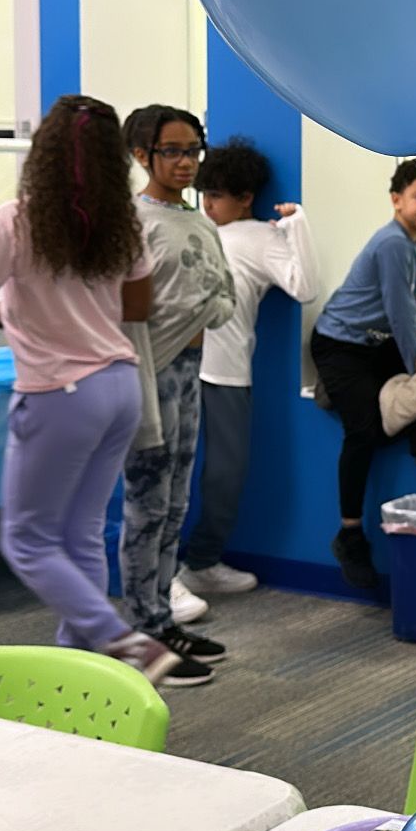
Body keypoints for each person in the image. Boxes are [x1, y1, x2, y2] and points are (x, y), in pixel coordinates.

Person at [0, 95, 172, 681]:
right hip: (119, 387)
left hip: (62, 395)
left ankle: (123, 642)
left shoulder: (16, 220)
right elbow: (134, 307)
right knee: (80, 533)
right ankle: (81, 672)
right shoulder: (120, 225)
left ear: (45, 154)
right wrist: (13, 308)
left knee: (27, 540)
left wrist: (3, 305)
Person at [171, 137, 320, 609]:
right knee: (166, 472)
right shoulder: (190, 227)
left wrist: (297, 225)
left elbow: (305, 287)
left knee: (225, 474)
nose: (208, 204)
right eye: (204, 194)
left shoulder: (261, 238)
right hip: (172, 362)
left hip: (226, 369)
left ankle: (201, 563)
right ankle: (161, 578)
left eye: (217, 195)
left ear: (245, 199)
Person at [120, 106, 236, 687]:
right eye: (173, 151)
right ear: (143, 155)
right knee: (146, 504)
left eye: (194, 149)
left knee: (175, 504)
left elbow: (221, 296)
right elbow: (128, 311)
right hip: (146, 374)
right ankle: (141, 630)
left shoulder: (200, 224)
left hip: (189, 373)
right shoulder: (133, 222)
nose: (187, 161)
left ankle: (162, 617)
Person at [310, 157, 416, 590]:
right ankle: (349, 533)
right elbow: (402, 316)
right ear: (396, 199)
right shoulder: (392, 244)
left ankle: (346, 392)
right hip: (340, 346)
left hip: (372, 344)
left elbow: (410, 315)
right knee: (365, 431)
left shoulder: (408, 244)